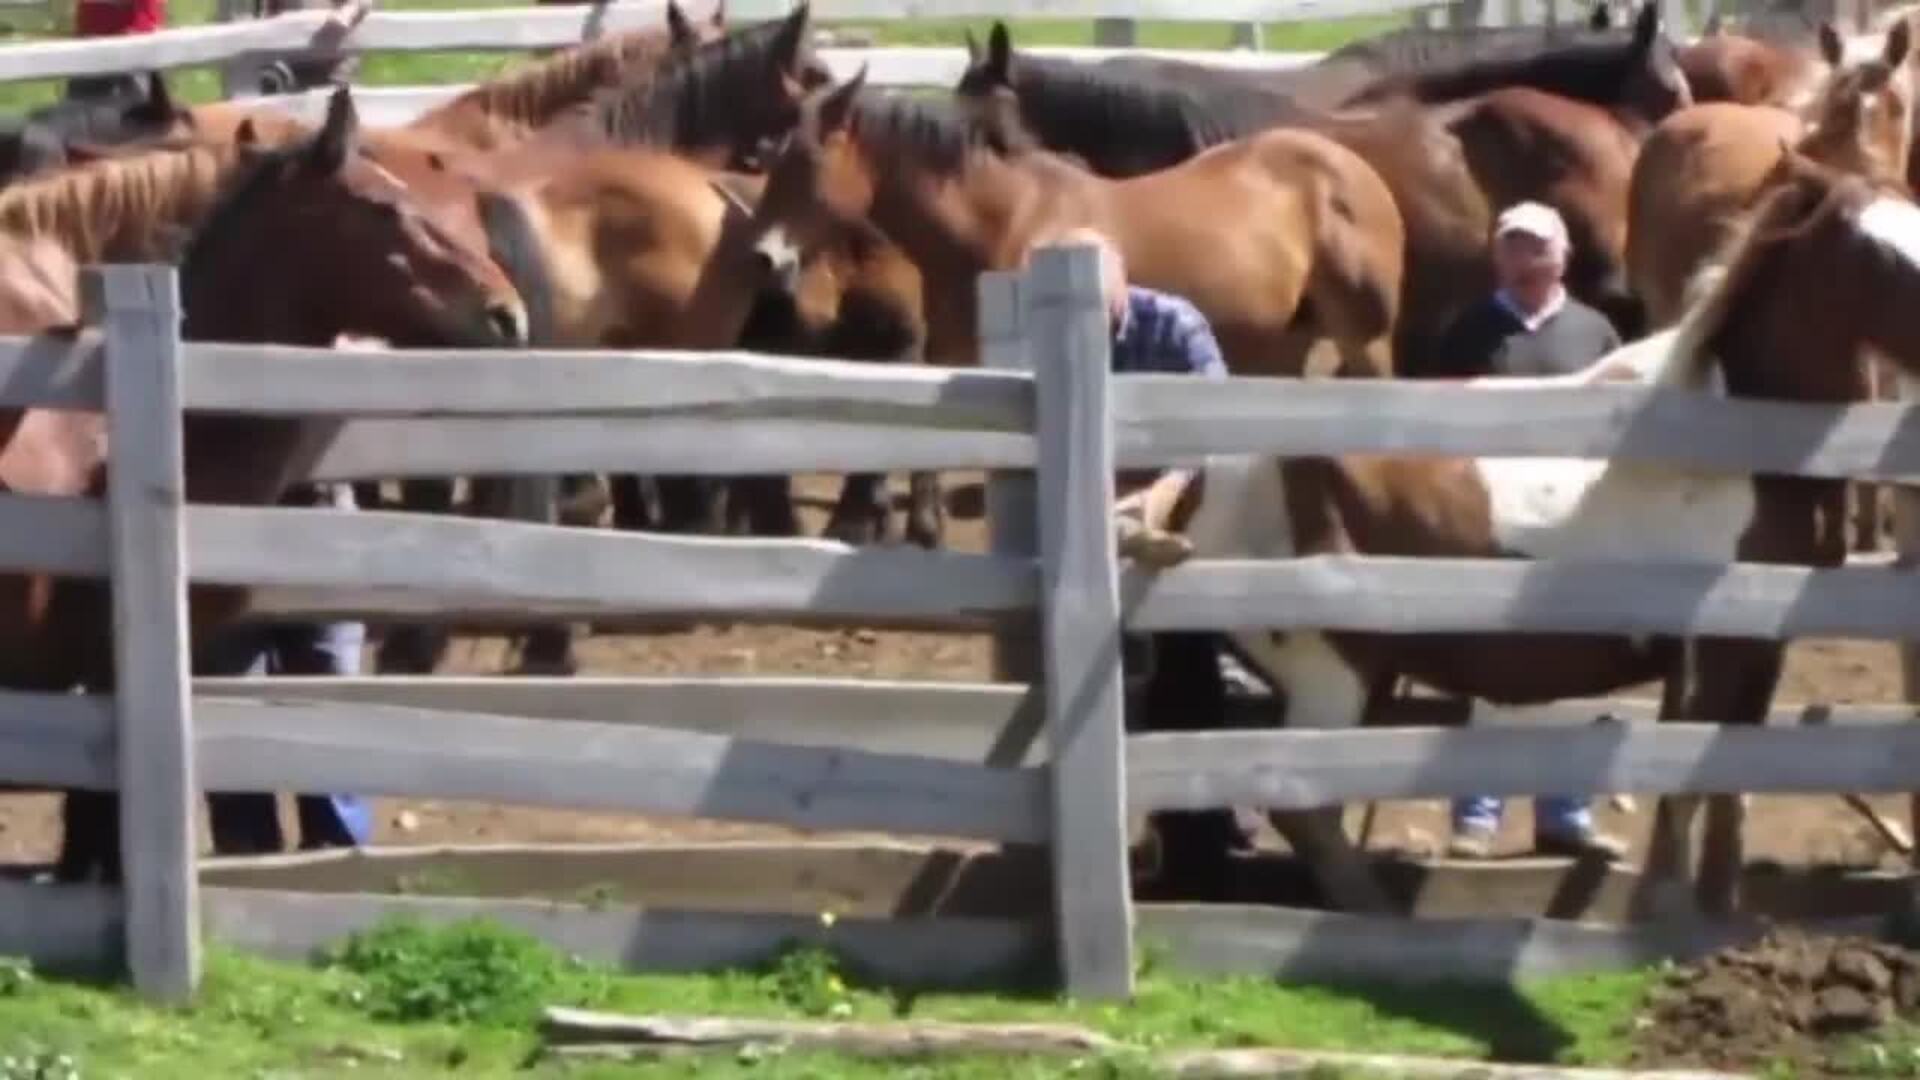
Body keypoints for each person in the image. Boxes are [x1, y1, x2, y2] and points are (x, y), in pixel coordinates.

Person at [1432, 201, 1629, 861]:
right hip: (1491, 521)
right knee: (1490, 666)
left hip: (1579, 522)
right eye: (1514, 248)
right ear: (1497, 257)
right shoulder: (1468, 331)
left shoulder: (1596, 332)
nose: (1527, 262)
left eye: (1537, 248)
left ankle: (1565, 813)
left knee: (1574, 665)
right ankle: (1477, 816)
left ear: (1562, 255)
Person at [201, 479, 373, 854]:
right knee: (231, 713)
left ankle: (337, 857)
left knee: (327, 703)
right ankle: (248, 863)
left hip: (313, 513)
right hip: (222, 515)